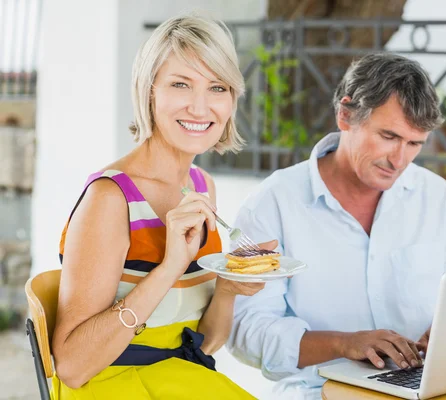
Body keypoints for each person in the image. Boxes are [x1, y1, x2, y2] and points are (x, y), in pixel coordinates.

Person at [51, 12, 270, 399]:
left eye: (217, 88)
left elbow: (202, 344)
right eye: (181, 84)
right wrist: (169, 266)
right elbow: (72, 366)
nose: (201, 108)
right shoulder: (110, 199)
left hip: (177, 380)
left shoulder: (202, 187)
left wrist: (229, 287)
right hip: (110, 386)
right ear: (149, 91)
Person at [227, 53, 446, 399]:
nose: (400, 160)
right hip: (317, 389)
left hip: (421, 387)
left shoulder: (437, 198)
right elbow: (247, 332)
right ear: (345, 115)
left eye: (415, 144)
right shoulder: (273, 204)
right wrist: (344, 343)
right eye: (388, 136)